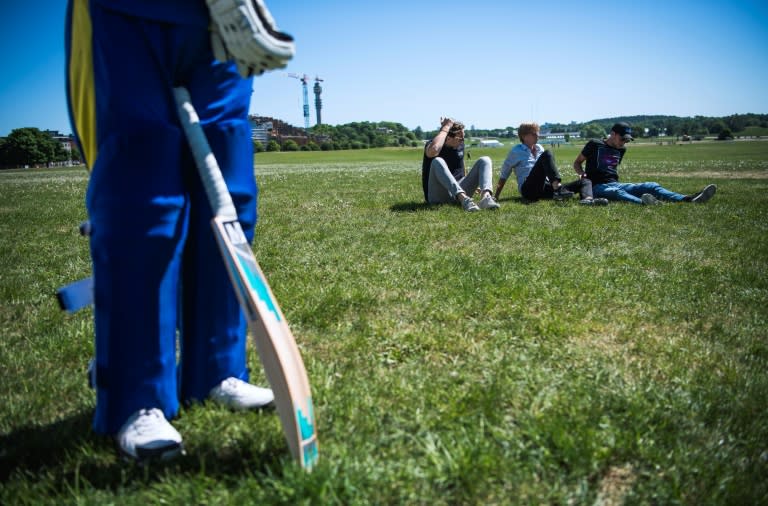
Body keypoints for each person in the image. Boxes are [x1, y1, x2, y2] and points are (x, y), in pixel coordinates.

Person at [65, 0, 294, 461]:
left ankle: (216, 370)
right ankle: (138, 396)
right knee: (142, 201)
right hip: (127, 12)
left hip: (220, 18)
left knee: (229, 194)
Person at [573, 122, 717, 205]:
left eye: (627, 140)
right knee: (617, 193)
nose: (625, 142)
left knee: (651, 185)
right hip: (596, 187)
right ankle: (645, 203)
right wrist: (582, 175)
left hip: (615, 183)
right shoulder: (594, 144)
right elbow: (577, 163)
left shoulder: (621, 150)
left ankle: (688, 199)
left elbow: (611, 171)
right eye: (623, 139)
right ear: (613, 134)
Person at [494, 122, 606, 205]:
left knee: (585, 181)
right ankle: (558, 189)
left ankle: (587, 200)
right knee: (548, 153)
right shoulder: (516, 151)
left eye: (538, 133)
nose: (538, 135)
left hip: (545, 187)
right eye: (534, 133)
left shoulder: (539, 148)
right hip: (528, 189)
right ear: (524, 136)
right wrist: (496, 196)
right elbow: (504, 174)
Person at [422, 118, 500, 212]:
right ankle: (464, 199)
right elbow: (433, 151)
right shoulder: (433, 145)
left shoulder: (460, 145)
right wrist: (446, 127)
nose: (463, 141)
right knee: (437, 161)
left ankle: (486, 198)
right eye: (460, 138)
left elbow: (460, 165)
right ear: (448, 138)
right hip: (439, 195)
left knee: (485, 160)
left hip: (459, 189)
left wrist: (469, 181)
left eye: (464, 137)